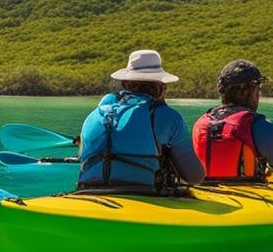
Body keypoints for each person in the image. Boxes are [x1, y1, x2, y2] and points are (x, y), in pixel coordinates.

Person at [76, 49, 205, 192]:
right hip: (143, 193)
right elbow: (194, 177)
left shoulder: (95, 114)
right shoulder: (168, 116)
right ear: (161, 86)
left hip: (88, 190)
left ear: (125, 84)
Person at [192, 60, 273, 182]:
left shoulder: (201, 123)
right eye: (258, 89)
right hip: (249, 192)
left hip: (205, 192)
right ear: (254, 91)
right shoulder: (260, 126)